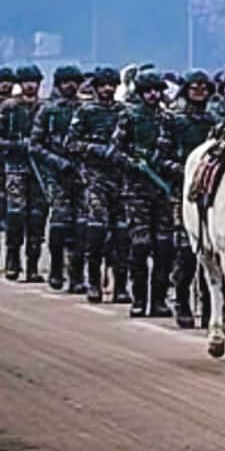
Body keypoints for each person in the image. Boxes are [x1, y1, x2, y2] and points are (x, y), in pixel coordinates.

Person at [111, 70, 179, 318]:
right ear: (139, 93)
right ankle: (139, 299)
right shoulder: (128, 116)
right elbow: (115, 151)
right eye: (148, 90)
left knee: (164, 246)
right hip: (136, 190)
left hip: (163, 189)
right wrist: (133, 163)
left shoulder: (169, 118)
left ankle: (159, 300)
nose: (153, 95)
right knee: (140, 245)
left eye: (156, 90)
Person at [68, 67, 129, 304]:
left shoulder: (125, 112)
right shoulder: (85, 112)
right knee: (96, 232)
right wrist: (94, 149)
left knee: (122, 235)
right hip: (94, 178)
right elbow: (71, 143)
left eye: (111, 84)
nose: (107, 89)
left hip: (121, 179)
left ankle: (121, 286)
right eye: (102, 85)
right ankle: (93, 283)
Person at [167, 70, 219, 326]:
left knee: (212, 252)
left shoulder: (216, 122)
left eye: (204, 88)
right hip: (181, 192)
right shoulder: (174, 122)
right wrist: (186, 169)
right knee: (187, 252)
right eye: (194, 87)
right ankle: (182, 301)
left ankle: (211, 307)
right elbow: (160, 155)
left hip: (211, 193)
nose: (199, 92)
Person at [31, 66, 87, 294]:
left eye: (74, 81)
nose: (70, 86)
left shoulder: (86, 110)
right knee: (60, 223)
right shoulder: (48, 110)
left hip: (82, 174)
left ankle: (76, 275)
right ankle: (55, 268)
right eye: (66, 82)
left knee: (82, 226)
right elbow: (35, 145)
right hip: (56, 175)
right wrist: (56, 162)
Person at [1, 65, 48, 283]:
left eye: (34, 81)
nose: (31, 85)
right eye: (27, 81)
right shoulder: (9, 107)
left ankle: (32, 265)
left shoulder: (46, 108)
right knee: (16, 214)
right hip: (16, 166)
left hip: (40, 168)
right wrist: (16, 145)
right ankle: (13, 258)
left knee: (37, 217)